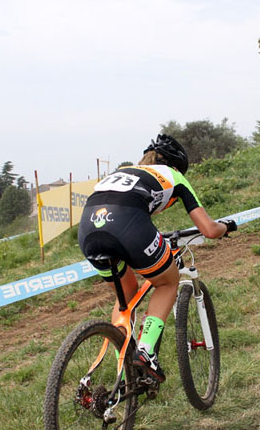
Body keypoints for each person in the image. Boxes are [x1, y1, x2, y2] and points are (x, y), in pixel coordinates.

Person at [78, 134, 233, 382]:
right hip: (128, 225)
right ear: (174, 166)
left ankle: (124, 367)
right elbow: (209, 230)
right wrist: (227, 226)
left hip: (88, 229)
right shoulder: (175, 176)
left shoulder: (124, 171)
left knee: (126, 297)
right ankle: (146, 351)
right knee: (167, 282)